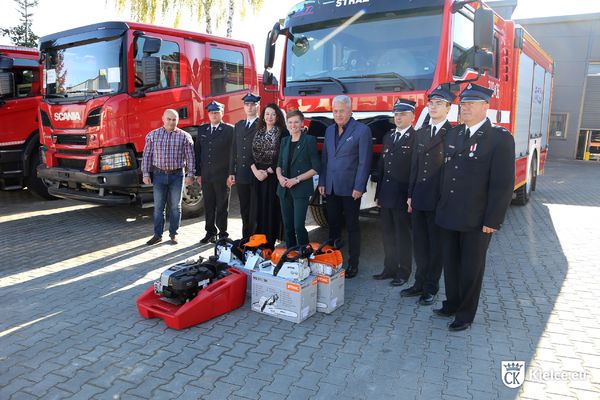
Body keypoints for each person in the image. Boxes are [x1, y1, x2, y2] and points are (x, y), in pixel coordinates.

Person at [434, 83, 515, 331]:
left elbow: (502, 184)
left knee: (471, 267)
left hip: (476, 218)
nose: (464, 108)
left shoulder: (499, 139)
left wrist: (493, 220)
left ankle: (465, 314)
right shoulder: (454, 134)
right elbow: (446, 173)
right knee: (450, 263)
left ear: (485, 107)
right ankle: (452, 302)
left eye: (470, 104)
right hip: (449, 214)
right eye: (463, 104)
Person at [402, 86, 455, 305]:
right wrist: (410, 194)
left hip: (439, 201)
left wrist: (447, 201)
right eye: (431, 103)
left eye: (438, 104)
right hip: (420, 198)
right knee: (420, 244)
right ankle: (419, 282)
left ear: (448, 108)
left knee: (436, 247)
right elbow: (414, 166)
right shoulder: (421, 133)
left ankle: (431, 287)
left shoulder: (453, 134)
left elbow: (453, 173)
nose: (433, 107)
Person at [318, 95, 372, 279]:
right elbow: (325, 159)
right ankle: (332, 261)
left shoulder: (362, 131)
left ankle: (353, 264)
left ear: (350, 111)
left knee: (352, 226)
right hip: (331, 188)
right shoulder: (329, 130)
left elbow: (365, 162)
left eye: (342, 111)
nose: (338, 114)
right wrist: (322, 182)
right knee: (333, 226)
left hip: (351, 189)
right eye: (335, 111)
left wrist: (359, 186)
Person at [372, 99, 416, 287]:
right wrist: (378, 193)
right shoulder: (389, 136)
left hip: (402, 195)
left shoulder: (416, 138)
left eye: (403, 114)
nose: (398, 118)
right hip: (387, 194)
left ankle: (403, 272)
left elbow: (415, 169)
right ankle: (389, 268)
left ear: (412, 117)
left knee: (403, 235)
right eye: (396, 114)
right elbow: (382, 166)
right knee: (387, 234)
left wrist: (411, 196)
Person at [142, 109, 195, 245]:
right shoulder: (152, 136)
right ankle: (157, 235)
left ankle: (173, 234)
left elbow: (190, 158)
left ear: (177, 120)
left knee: (175, 207)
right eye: (169, 119)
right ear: (163, 119)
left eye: (174, 119)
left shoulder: (185, 137)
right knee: (159, 207)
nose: (171, 122)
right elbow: (147, 156)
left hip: (177, 175)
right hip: (159, 175)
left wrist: (190, 175)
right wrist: (146, 173)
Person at [276, 110, 320, 247]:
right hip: (284, 189)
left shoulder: (309, 140)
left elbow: (316, 168)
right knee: (288, 227)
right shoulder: (284, 141)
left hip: (300, 188)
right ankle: (291, 255)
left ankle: (304, 254)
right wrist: (280, 177)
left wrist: (296, 179)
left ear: (302, 123)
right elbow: (279, 164)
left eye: (296, 122)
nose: (293, 125)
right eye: (290, 122)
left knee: (298, 226)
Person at [195, 101, 233, 244]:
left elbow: (232, 154)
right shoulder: (202, 129)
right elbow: (197, 152)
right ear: (208, 114)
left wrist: (231, 173)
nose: (214, 115)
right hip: (206, 176)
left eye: (216, 112)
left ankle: (223, 233)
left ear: (222, 113)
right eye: (211, 113)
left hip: (222, 176)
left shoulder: (229, 130)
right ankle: (210, 232)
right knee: (209, 205)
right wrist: (198, 173)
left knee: (222, 206)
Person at [251, 103, 287, 247]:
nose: (269, 117)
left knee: (271, 210)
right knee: (258, 209)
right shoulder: (258, 131)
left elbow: (282, 156)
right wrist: (256, 171)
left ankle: (270, 243)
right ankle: (259, 241)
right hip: (258, 176)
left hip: (272, 176)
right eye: (267, 114)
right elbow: (250, 154)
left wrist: (267, 171)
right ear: (263, 116)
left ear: (277, 116)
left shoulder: (283, 132)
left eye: (273, 114)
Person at [228, 92, 260, 238]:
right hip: (241, 174)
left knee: (256, 209)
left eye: (252, 104)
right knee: (244, 208)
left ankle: (255, 237)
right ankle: (245, 237)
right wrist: (231, 172)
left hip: (255, 174)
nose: (249, 107)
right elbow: (234, 150)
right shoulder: (239, 125)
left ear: (257, 106)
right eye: (247, 104)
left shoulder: (261, 125)